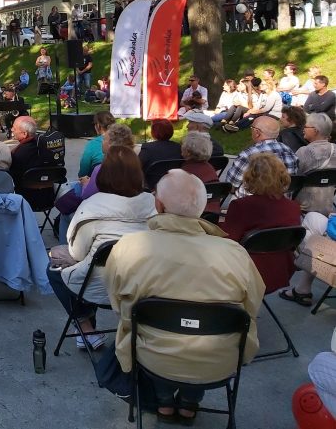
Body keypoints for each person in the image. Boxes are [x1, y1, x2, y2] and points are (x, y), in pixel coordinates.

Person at [104, 170, 265, 423]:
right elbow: (252, 306)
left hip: (152, 356)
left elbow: (116, 302)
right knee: (202, 333)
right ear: (202, 208)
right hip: (219, 360)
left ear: (158, 205)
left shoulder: (128, 247)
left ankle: (164, 403)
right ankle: (189, 404)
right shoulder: (236, 254)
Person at [48, 146, 157, 351]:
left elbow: (77, 252)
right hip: (144, 282)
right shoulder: (152, 202)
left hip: (101, 285)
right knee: (86, 263)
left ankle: (85, 327)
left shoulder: (91, 205)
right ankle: (91, 329)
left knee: (56, 266)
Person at [220, 153, 301, 292]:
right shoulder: (293, 207)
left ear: (250, 177)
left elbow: (228, 243)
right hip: (278, 272)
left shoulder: (241, 206)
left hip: (244, 273)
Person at [221, 115, 297, 197]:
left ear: (257, 132)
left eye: (251, 128)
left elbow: (231, 185)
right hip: (282, 203)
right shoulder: (289, 151)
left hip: (251, 205)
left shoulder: (248, 154)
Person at [294, 113, 336, 214]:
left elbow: (294, 178)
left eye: (306, 126)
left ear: (315, 130)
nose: (303, 129)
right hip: (331, 205)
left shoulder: (303, 152)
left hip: (305, 206)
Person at [79, 111, 115, 179]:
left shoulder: (93, 144)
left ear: (98, 125)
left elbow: (83, 172)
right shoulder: (123, 140)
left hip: (98, 183)